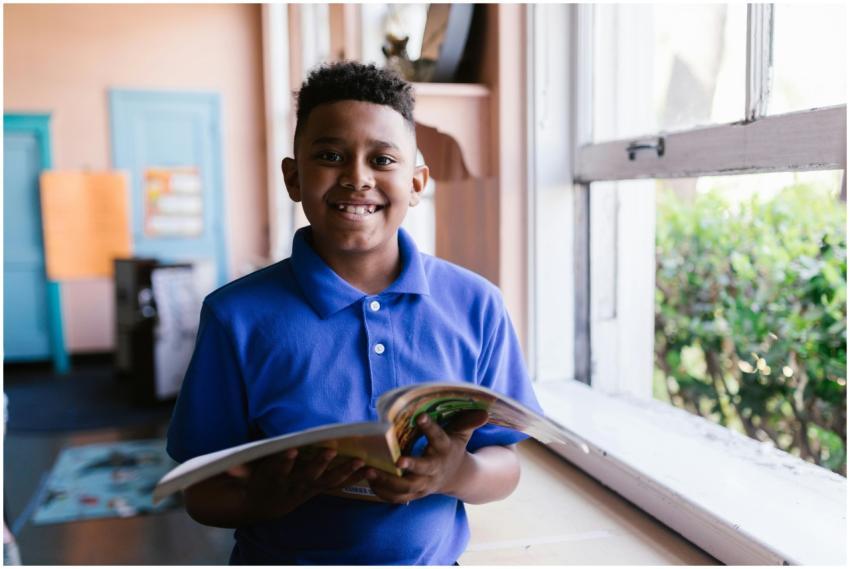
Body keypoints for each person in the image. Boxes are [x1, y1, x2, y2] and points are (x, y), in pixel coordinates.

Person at [166, 61, 542, 565]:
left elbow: (505, 460)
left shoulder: (477, 306)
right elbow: (201, 494)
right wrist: (271, 497)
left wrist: (455, 475)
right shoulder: (236, 317)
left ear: (416, 182)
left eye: (383, 159)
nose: (357, 177)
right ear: (294, 177)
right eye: (330, 155)